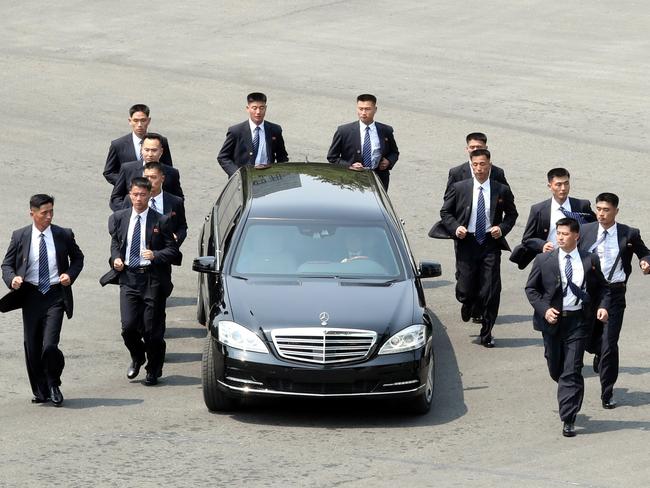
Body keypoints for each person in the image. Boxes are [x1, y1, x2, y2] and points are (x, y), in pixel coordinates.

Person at [525, 218, 609, 437]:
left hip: (579, 322)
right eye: (558, 233)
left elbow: (603, 288)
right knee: (557, 370)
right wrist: (545, 309)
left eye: (565, 234)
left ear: (576, 236)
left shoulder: (589, 260)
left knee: (571, 370)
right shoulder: (544, 260)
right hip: (552, 322)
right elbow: (531, 289)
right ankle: (570, 390)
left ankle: (568, 418)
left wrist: (602, 307)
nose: (560, 237)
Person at [0, 194, 84, 406]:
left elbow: (78, 258)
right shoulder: (20, 236)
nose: (49, 216)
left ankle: (53, 383)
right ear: (32, 213)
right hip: (31, 296)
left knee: (50, 345)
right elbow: (6, 266)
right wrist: (13, 280)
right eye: (44, 212)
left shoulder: (63, 234)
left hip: (55, 295)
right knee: (32, 346)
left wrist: (69, 276)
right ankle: (41, 391)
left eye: (51, 211)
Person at [439, 149, 518, 347]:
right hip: (467, 241)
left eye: (483, 164)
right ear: (471, 165)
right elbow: (445, 212)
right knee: (465, 287)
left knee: (491, 290)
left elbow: (511, 214)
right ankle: (467, 302)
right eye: (475, 165)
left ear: (489, 165)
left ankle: (487, 333)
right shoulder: (460, 188)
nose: (479, 168)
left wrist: (502, 228)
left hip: (490, 243)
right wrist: (456, 228)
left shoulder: (500, 189)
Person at [578, 193, 650, 409]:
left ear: (616, 211)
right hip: (589, 293)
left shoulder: (629, 233)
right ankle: (598, 352)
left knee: (610, 344)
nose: (601, 213)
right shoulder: (585, 230)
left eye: (606, 209)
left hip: (615, 293)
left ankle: (607, 392)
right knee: (590, 339)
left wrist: (646, 262)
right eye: (598, 208)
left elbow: (645, 253)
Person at [108, 177, 181, 385]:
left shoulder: (161, 220)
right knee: (128, 327)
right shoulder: (119, 218)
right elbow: (116, 242)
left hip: (152, 279)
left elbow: (173, 251)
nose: (138, 199)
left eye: (142, 194)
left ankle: (153, 368)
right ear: (129, 195)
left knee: (152, 331)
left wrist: (155, 255)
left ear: (149, 195)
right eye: (134, 194)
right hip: (129, 278)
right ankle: (138, 355)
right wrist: (116, 259)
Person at [511, 167, 595, 269]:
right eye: (558, 184)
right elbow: (527, 239)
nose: (563, 188)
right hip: (550, 260)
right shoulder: (539, 210)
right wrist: (542, 245)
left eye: (566, 183)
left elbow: (595, 229)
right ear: (550, 186)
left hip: (577, 260)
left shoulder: (582, 206)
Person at [327, 93, 399, 191]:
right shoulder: (344, 131)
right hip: (351, 180)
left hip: (378, 179)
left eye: (367, 109)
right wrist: (350, 166)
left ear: (375, 109)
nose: (363, 112)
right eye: (360, 109)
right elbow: (332, 157)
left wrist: (389, 161)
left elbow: (394, 152)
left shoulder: (386, 130)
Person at [217, 92, 289, 177]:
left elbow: (282, 156)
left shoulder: (275, 130)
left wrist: (279, 173)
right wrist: (238, 175)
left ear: (266, 108)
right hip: (245, 181)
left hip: (268, 178)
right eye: (254, 108)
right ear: (248, 108)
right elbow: (223, 157)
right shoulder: (236, 131)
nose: (258, 112)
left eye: (261, 108)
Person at [109, 133, 184, 211]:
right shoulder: (127, 169)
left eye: (154, 150)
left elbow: (178, 198)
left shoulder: (172, 173)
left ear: (161, 151)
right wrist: (128, 213)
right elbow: (116, 198)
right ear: (141, 150)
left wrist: (169, 214)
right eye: (147, 150)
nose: (150, 154)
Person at [103, 104, 173, 185]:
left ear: (149, 120)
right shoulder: (118, 145)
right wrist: (129, 183)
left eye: (143, 120)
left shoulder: (161, 141)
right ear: (130, 121)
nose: (139, 125)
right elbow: (109, 172)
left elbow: (168, 168)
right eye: (135, 120)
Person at [122, 161, 188, 247]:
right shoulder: (130, 199)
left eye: (153, 177)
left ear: (162, 178)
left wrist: (177, 238)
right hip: (137, 249)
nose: (149, 181)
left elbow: (182, 226)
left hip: (165, 252)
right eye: (146, 177)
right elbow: (122, 223)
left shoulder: (175, 202)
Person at [444, 132, 509, 200]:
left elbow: (507, 196)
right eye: (472, 147)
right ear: (467, 148)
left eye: (479, 147)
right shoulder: (456, 172)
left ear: (486, 148)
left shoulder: (497, 172)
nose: (475, 149)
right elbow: (449, 198)